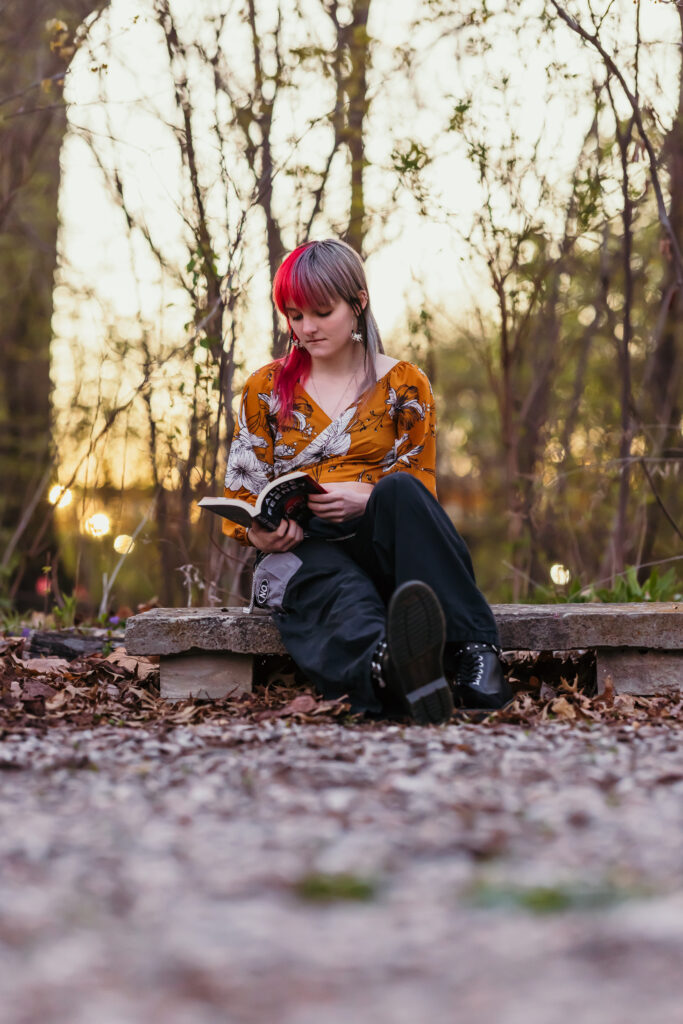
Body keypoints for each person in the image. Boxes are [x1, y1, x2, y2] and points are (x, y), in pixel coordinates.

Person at [222, 239, 511, 724]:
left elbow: (421, 491)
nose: (306, 328)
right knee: (336, 588)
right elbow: (240, 495)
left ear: (358, 302)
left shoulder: (404, 384)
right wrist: (259, 532)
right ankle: (393, 670)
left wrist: (369, 495)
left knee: (399, 490)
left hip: (384, 546)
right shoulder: (265, 389)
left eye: (321, 311)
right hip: (305, 551)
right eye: (294, 315)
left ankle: (476, 654)